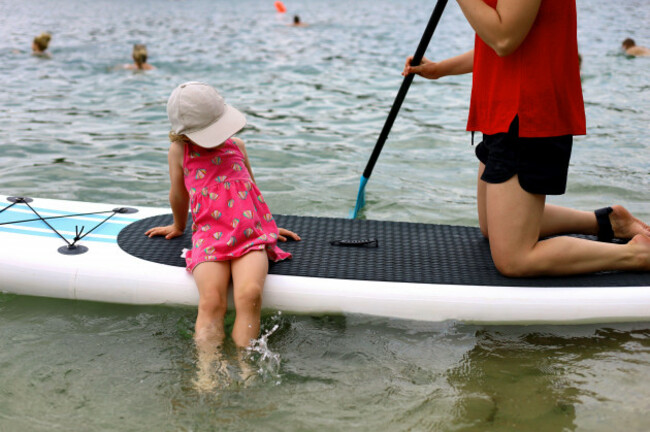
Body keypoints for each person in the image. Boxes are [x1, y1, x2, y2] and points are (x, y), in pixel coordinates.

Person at [402, 0, 650, 277]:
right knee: (490, 227)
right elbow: (506, 39)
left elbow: (504, 37)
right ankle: (607, 222)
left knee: (514, 259)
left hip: (526, 114)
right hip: (500, 108)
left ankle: (637, 254)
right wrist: (440, 69)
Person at [145, 82, 300, 357]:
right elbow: (178, 194)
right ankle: (207, 373)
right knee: (212, 302)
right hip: (209, 237)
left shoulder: (237, 146)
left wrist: (269, 226)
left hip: (249, 235)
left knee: (250, 294)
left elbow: (250, 189)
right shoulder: (181, 153)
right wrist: (179, 226)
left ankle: (246, 365)